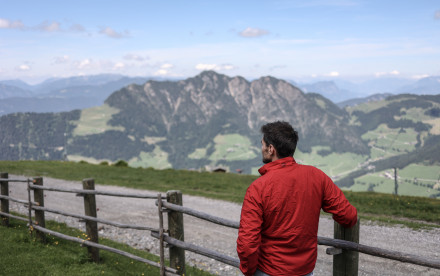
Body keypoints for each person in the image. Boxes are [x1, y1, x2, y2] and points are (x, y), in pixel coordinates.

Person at [236, 121, 358, 276]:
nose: (262, 149)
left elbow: (247, 243)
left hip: (268, 270)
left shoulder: (258, 188)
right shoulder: (317, 176)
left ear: (271, 149)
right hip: (304, 270)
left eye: (263, 145)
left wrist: (248, 271)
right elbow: (349, 216)